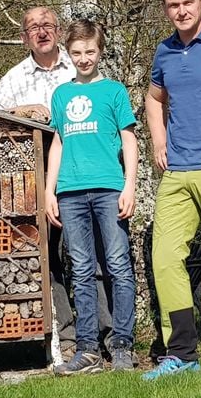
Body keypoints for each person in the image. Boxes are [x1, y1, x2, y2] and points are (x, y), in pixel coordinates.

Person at [0, 7, 113, 357]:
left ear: (57, 31)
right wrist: (21, 111)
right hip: (37, 178)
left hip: (88, 171)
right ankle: (69, 337)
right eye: (33, 28)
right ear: (24, 37)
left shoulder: (78, 63)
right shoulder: (13, 79)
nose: (41, 32)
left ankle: (107, 334)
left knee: (96, 255)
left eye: (47, 26)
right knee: (51, 258)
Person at [142, 0, 201, 380]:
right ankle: (181, 353)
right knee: (164, 258)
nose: (181, 11)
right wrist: (158, 140)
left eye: (187, 2)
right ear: (166, 9)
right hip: (176, 172)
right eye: (173, 5)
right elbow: (154, 98)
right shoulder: (165, 51)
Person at [45, 19, 137, 374]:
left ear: (100, 51)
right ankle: (88, 350)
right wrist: (50, 190)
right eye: (77, 52)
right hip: (70, 192)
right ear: (68, 54)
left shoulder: (114, 91)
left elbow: (129, 140)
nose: (84, 58)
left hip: (109, 188)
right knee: (81, 269)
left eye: (90, 52)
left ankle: (122, 345)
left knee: (117, 265)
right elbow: (58, 142)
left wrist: (129, 185)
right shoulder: (61, 95)